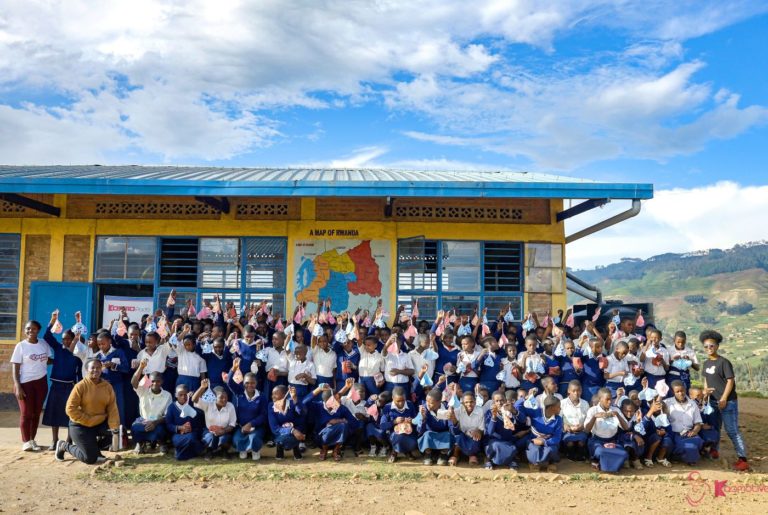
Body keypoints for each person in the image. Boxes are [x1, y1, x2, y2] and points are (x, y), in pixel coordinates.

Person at [700, 330, 749, 471]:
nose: (709, 349)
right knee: (715, 428)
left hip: (727, 402)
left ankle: (743, 459)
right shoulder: (706, 363)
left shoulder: (724, 362)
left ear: (717, 346)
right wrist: (705, 393)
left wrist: (724, 398)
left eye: (711, 346)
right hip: (713, 402)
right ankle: (714, 450)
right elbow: (706, 380)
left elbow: (730, 381)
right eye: (706, 346)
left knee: (732, 430)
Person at [55, 359, 120, 464]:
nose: (96, 370)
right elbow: (70, 409)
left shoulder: (107, 386)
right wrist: (88, 420)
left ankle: (94, 451)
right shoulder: (80, 386)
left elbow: (112, 408)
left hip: (98, 423)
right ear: (86, 370)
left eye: (98, 367)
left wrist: (114, 428)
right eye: (92, 368)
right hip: (80, 425)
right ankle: (64, 445)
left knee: (118, 432)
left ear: (102, 369)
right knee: (89, 459)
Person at [41, 311, 82, 450]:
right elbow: (47, 336)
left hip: (70, 387)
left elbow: (79, 372)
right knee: (54, 414)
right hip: (56, 386)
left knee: (70, 414)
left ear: (74, 339)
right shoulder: (58, 348)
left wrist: (78, 324)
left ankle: (69, 441)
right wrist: (52, 320)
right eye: (64, 339)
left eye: (69, 339)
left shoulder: (77, 353)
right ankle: (54, 440)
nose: (66, 341)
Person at [10, 320, 52, 451]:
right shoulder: (21, 346)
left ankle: (32, 440)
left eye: (33, 329)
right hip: (25, 383)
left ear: (38, 330)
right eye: (28, 329)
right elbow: (15, 367)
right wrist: (18, 386)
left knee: (36, 413)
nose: (30, 331)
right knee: (26, 413)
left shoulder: (43, 344)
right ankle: (26, 441)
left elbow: (48, 359)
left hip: (41, 383)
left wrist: (63, 359)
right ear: (25, 330)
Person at [226, 360, 268, 461]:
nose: (250, 385)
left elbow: (263, 415)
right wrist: (234, 368)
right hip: (241, 427)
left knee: (254, 438)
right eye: (247, 383)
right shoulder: (239, 392)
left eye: (252, 383)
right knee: (236, 439)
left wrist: (251, 424)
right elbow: (228, 381)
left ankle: (255, 450)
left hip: (256, 427)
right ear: (243, 383)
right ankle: (243, 449)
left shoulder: (262, 396)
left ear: (256, 383)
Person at [130, 360, 172, 454]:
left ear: (162, 382)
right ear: (149, 381)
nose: (155, 384)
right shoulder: (143, 390)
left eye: (158, 381)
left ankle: (160, 443)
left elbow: (167, 416)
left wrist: (154, 423)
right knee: (135, 427)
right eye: (152, 381)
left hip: (157, 422)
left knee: (161, 430)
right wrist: (141, 367)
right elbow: (133, 383)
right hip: (143, 420)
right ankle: (140, 443)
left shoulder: (167, 395)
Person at [584, 387, 630, 472]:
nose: (610, 401)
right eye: (607, 399)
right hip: (597, 441)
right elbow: (587, 430)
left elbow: (626, 428)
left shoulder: (615, 410)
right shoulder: (593, 410)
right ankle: (599, 461)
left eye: (611, 399)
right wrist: (594, 417)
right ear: (600, 399)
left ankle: (602, 464)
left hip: (612, 441)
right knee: (600, 451)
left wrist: (618, 415)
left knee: (624, 454)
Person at [192, 379, 237, 460]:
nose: (224, 400)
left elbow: (232, 424)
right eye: (221, 398)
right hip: (210, 431)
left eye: (226, 397)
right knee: (209, 437)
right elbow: (194, 399)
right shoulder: (208, 405)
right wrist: (202, 387)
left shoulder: (230, 406)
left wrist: (223, 431)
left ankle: (224, 451)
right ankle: (209, 451)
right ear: (215, 398)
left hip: (224, 431)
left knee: (225, 439)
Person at [664, 380, 703, 465]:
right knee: (688, 446)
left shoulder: (692, 404)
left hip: (688, 433)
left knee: (697, 442)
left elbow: (698, 423)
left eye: (682, 391)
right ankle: (678, 454)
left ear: (685, 390)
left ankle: (682, 455)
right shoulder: (667, 403)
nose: (680, 393)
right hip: (674, 433)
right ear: (673, 392)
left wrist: (694, 431)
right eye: (677, 391)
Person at [165, 384, 205, 461]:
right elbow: (169, 425)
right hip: (178, 435)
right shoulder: (171, 407)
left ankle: (181, 452)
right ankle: (182, 454)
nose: (183, 397)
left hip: (193, 433)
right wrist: (180, 428)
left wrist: (191, 427)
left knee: (193, 438)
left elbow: (200, 420)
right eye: (180, 395)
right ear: (176, 395)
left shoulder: (193, 404)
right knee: (190, 440)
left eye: (185, 395)